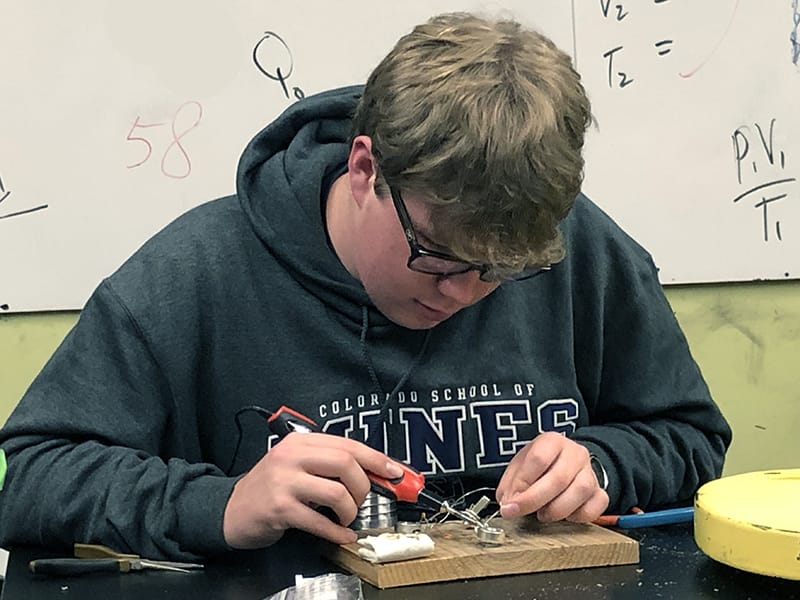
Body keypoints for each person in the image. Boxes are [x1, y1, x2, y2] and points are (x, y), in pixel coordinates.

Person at [0, 12, 730, 561]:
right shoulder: (191, 277)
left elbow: (689, 436)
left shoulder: (581, 249)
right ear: (363, 169)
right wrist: (220, 503)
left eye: (501, 271)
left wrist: (603, 464)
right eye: (437, 257)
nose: (464, 294)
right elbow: (33, 479)